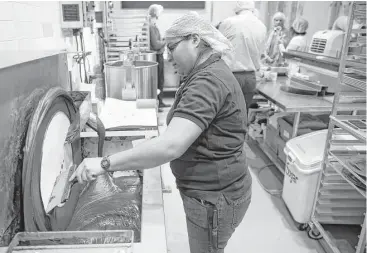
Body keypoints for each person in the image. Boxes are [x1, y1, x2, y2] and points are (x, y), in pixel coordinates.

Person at [70, 11, 252, 253]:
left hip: (214, 198)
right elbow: (176, 137)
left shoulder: (207, 82)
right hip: (217, 191)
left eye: (172, 47)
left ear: (195, 40)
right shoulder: (205, 72)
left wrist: (104, 163)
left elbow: (170, 146)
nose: (167, 56)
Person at [218, 1, 267, 111]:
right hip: (250, 78)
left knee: (225, 115)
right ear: (252, 9)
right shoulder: (262, 26)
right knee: (243, 114)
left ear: (237, 9)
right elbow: (261, 52)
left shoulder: (228, 22)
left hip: (230, 75)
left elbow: (216, 47)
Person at [148, 4, 170, 108]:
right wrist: (165, 41)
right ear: (155, 14)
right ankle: (158, 103)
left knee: (160, 79)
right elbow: (156, 44)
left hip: (158, 55)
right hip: (156, 56)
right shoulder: (151, 27)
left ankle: (159, 102)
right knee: (158, 80)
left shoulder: (153, 26)